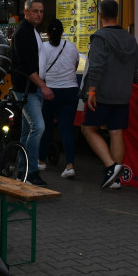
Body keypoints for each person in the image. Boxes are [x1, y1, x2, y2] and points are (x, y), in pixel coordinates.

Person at [80, 0, 138, 189]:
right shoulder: (130, 38)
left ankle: (110, 166)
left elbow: (96, 66)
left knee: (88, 129)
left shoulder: (100, 37)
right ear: (116, 15)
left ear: (100, 15)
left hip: (102, 93)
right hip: (123, 93)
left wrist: (91, 91)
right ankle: (115, 178)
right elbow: (136, 66)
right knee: (116, 132)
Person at [9, 0, 51, 186]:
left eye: (41, 11)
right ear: (25, 12)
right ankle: (31, 172)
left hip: (32, 88)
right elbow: (26, 65)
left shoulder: (32, 31)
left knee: (28, 129)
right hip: (27, 89)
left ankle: (22, 171)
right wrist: (42, 85)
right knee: (38, 127)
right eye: (35, 11)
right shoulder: (23, 32)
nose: (39, 14)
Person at [38, 19, 80, 179]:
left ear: (47, 33)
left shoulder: (43, 48)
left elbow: (40, 70)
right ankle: (70, 165)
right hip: (70, 91)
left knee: (46, 127)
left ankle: (41, 161)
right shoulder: (71, 47)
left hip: (50, 92)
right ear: (62, 32)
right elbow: (75, 66)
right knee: (66, 129)